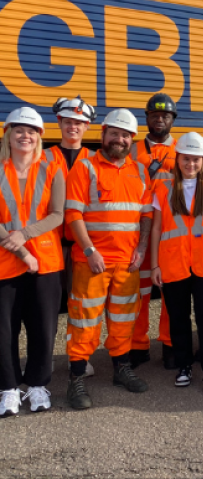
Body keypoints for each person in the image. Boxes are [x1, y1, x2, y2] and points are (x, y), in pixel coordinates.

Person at [65, 109, 152, 410]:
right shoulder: (85, 167)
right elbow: (73, 213)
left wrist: (142, 248)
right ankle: (76, 377)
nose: (119, 139)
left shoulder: (140, 171)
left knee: (123, 319)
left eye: (125, 135)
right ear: (102, 134)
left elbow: (146, 214)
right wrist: (90, 251)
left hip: (127, 262)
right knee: (84, 320)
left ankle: (121, 369)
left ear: (132, 139)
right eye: (114, 133)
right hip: (92, 262)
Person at [150, 132, 203, 392]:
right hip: (173, 264)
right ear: (178, 159)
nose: (190, 164)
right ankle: (184, 365)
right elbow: (157, 228)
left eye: (196, 159)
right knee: (178, 318)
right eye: (186, 158)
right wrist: (155, 265)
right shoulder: (163, 189)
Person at [0, 108, 65, 418]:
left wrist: (24, 235)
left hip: (45, 263)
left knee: (43, 328)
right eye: (19, 130)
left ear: (39, 137)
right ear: (8, 134)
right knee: (4, 329)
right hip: (5, 261)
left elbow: (57, 214)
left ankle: (38, 385)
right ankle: (8, 388)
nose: (25, 136)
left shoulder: (52, 169)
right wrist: (22, 250)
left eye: (31, 131)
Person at [46, 97, 97, 377]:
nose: (73, 127)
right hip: (50, 244)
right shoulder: (44, 157)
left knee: (78, 305)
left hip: (83, 244)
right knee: (49, 305)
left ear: (87, 126)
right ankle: (45, 359)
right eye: (68, 122)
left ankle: (76, 357)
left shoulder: (95, 159)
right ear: (59, 122)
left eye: (79, 123)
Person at [129, 93, 178, 370]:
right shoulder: (132, 149)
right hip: (139, 230)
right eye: (155, 115)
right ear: (147, 118)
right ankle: (138, 345)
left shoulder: (183, 149)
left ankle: (170, 344)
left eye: (165, 116)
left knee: (171, 292)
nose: (160, 119)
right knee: (140, 291)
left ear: (172, 119)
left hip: (171, 231)